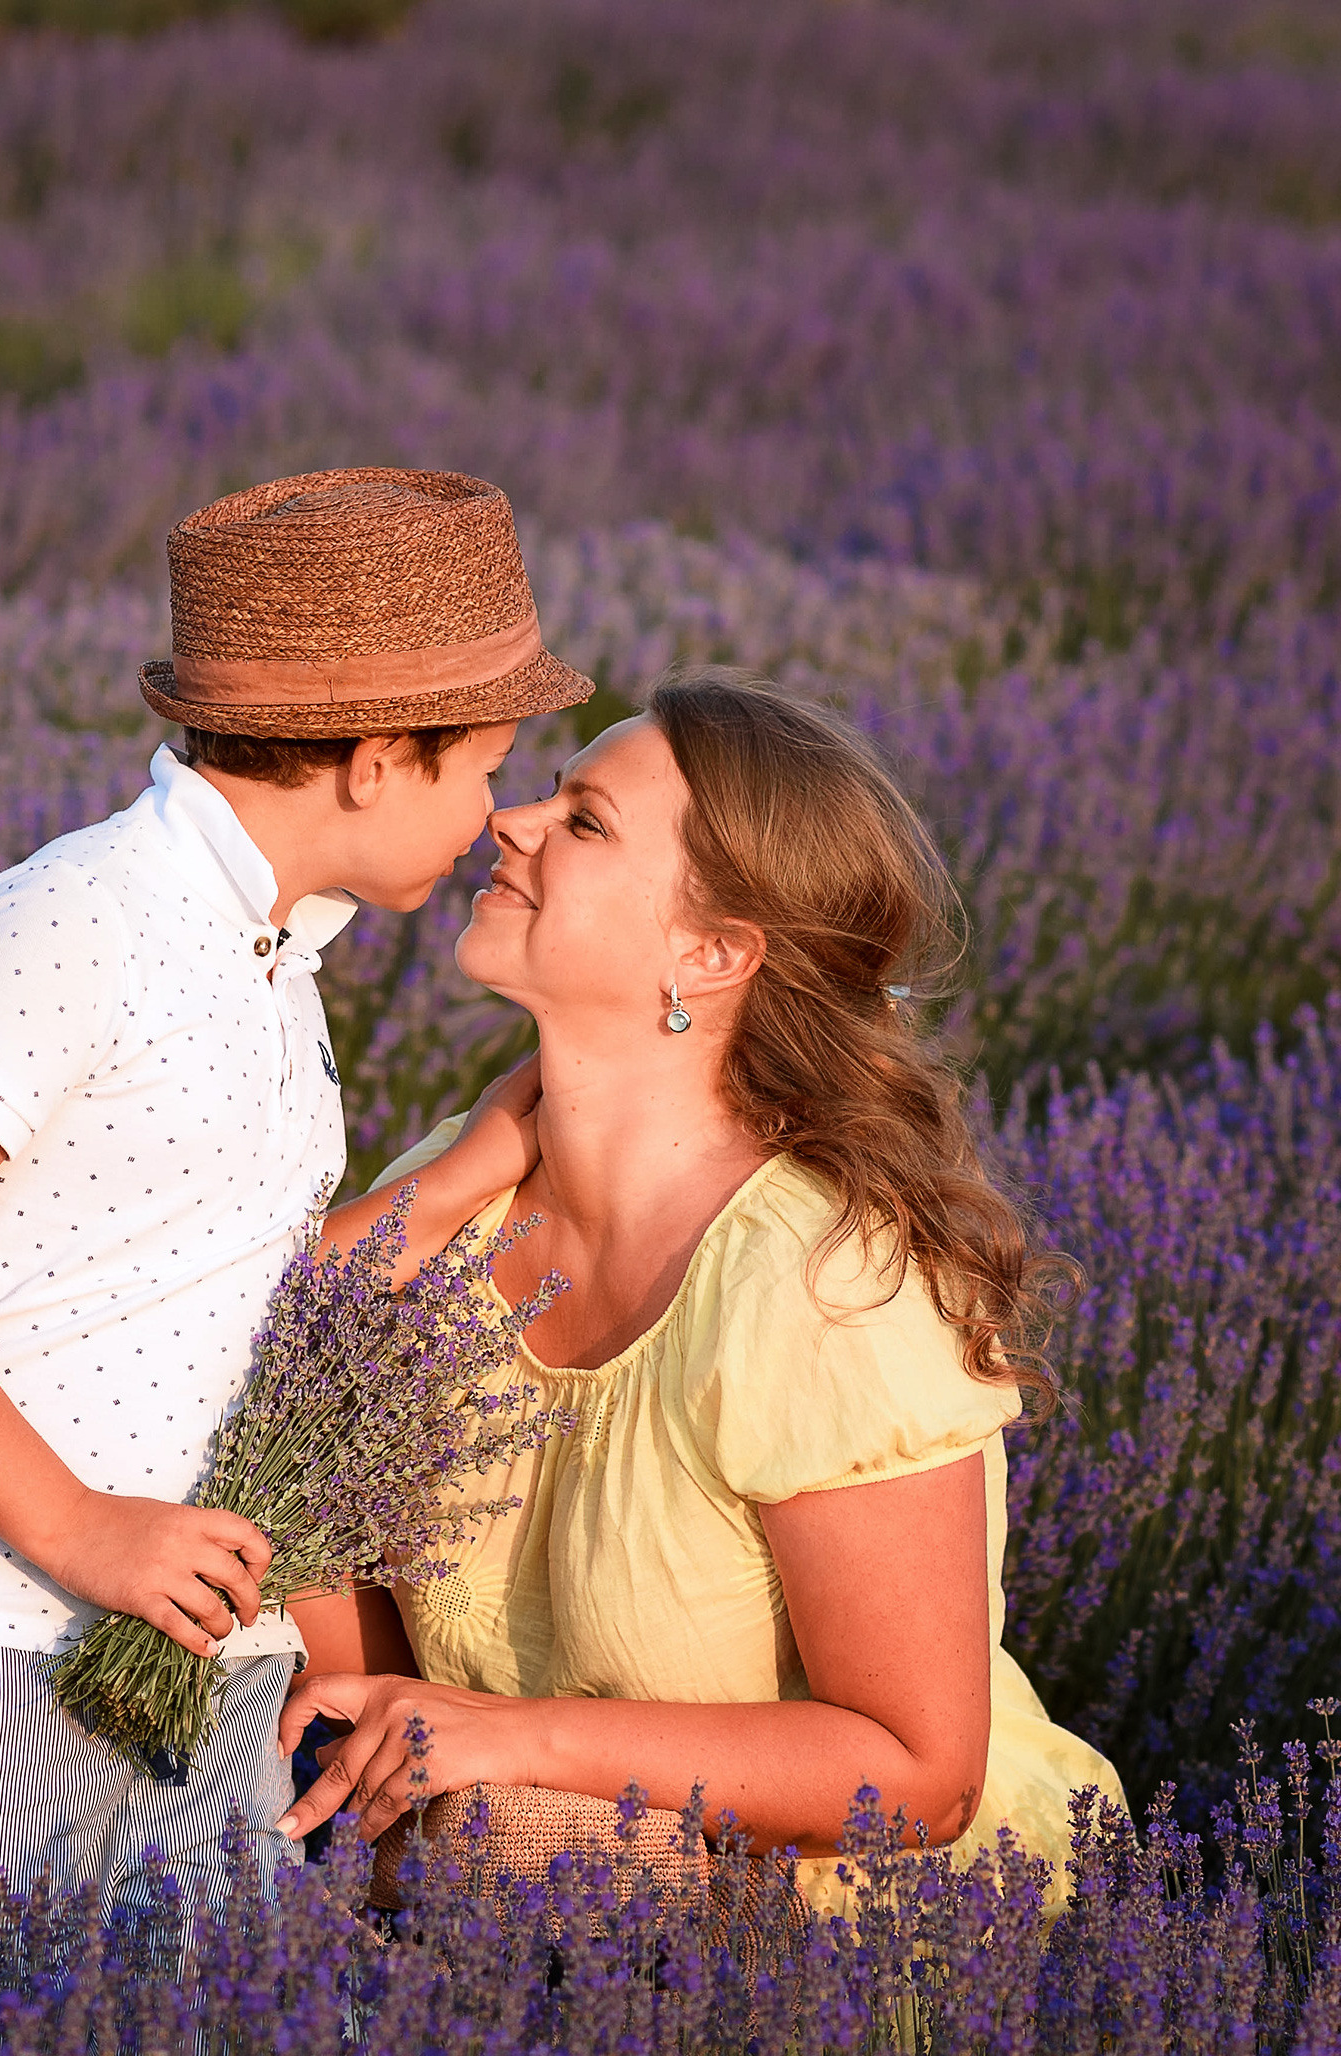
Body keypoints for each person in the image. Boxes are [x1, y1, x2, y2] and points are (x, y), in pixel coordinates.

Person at [0, 466, 592, 1972]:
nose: (498, 811)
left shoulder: (268, 959)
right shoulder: (80, 917)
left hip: (189, 1649)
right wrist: (82, 1530)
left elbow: (224, 1299)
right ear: (372, 759)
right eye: (485, 761)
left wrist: (464, 1171)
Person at [278, 669, 1128, 1915]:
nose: (510, 821)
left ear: (713, 951)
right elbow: (253, 1366)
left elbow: (920, 1776)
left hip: (853, 1939)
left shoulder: (824, 1282)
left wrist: (508, 1737)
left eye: (583, 820)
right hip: (540, 1873)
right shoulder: (450, 1203)